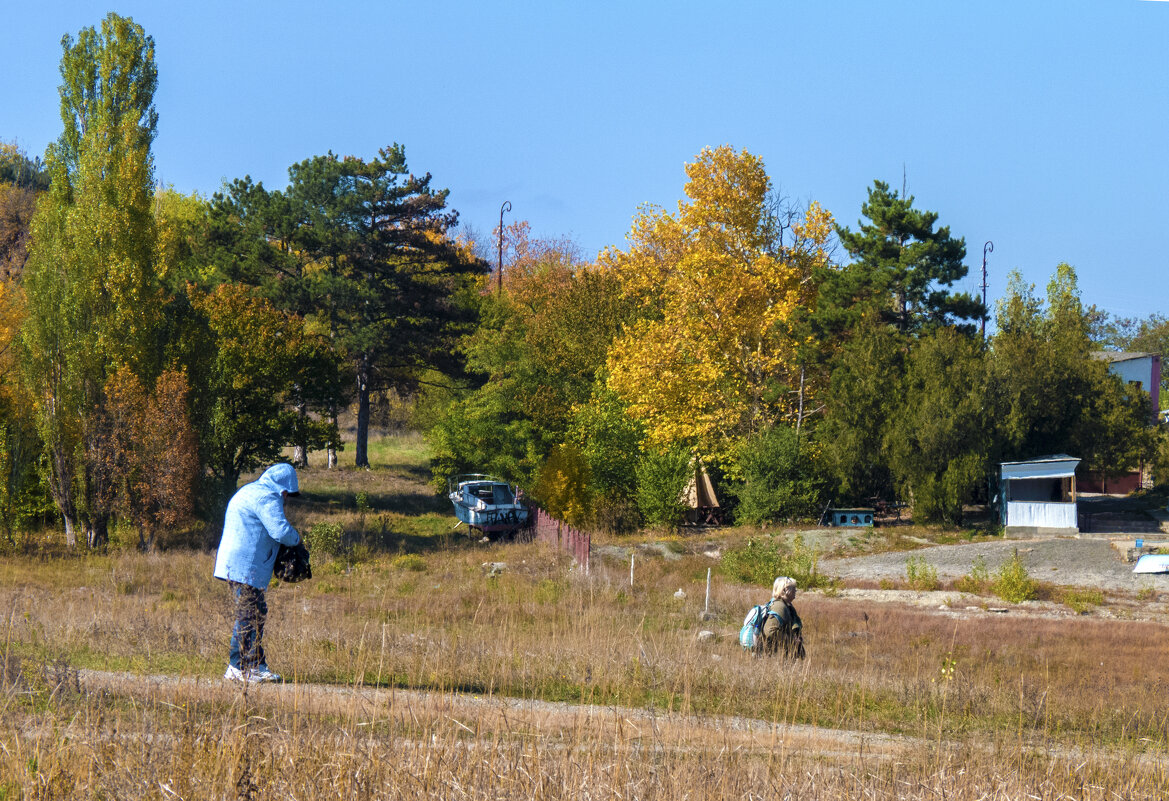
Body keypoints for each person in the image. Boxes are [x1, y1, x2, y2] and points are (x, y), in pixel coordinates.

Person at [213, 463, 302, 683]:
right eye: (287, 494)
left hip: (235, 562)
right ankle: (238, 666)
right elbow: (280, 530)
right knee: (249, 613)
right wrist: (298, 540)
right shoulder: (267, 497)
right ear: (283, 488)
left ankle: (254, 666)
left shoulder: (249, 490)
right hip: (246, 565)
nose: (286, 499)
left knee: (255, 611)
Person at [759, 576, 805, 659]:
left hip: (779, 656)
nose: (796, 590)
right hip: (774, 657)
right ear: (785, 590)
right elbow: (770, 631)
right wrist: (792, 640)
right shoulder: (779, 607)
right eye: (793, 588)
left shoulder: (786, 605)